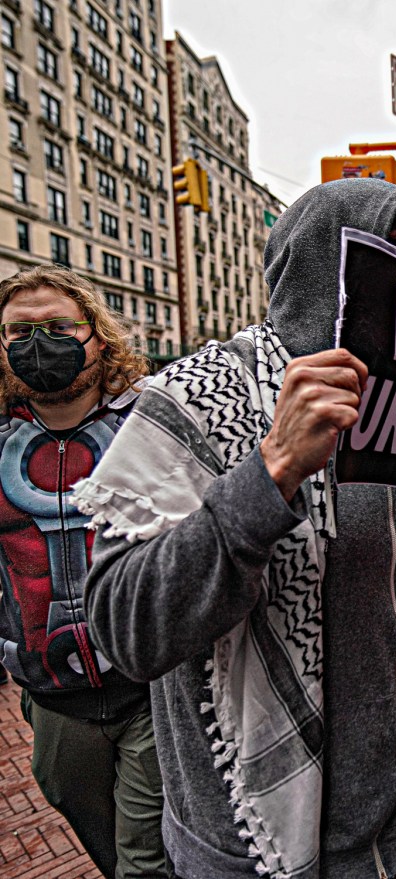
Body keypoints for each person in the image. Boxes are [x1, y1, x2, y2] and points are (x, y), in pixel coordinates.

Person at [78, 179, 396, 879]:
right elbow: (126, 627)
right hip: (257, 851)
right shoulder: (196, 397)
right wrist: (272, 472)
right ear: (325, 260)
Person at [0, 265, 170, 878]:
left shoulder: (154, 424)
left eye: (57, 326)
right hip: (52, 700)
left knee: (145, 861)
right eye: (19, 332)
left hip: (150, 688)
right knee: (107, 847)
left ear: (97, 335)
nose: (37, 343)